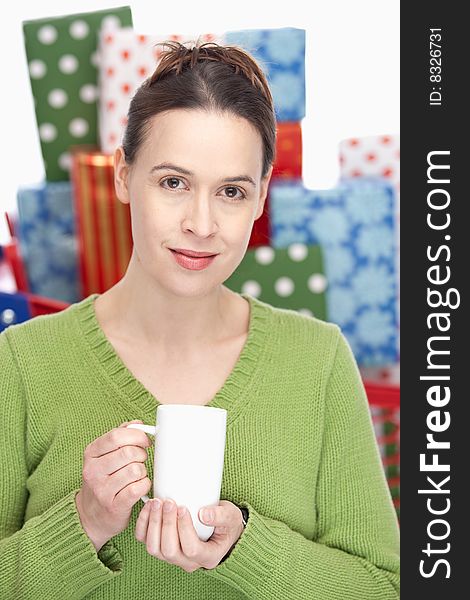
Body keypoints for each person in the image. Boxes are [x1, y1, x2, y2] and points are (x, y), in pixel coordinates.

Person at [0, 40, 400, 599]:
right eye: (173, 182)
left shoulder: (318, 359)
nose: (201, 223)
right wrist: (83, 524)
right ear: (122, 175)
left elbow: (384, 587)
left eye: (231, 191)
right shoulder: (21, 362)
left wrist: (247, 551)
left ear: (261, 198)